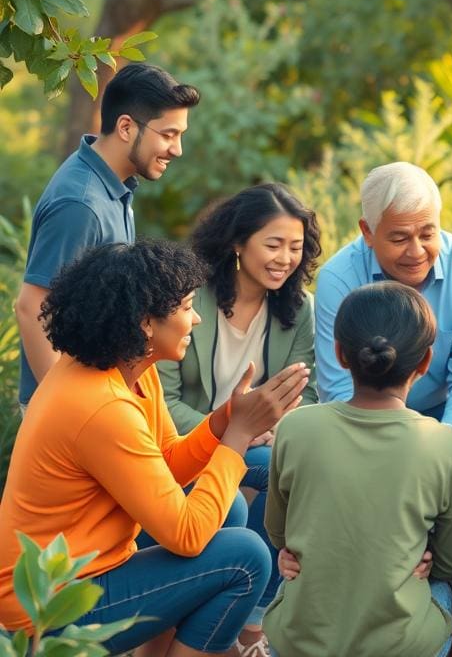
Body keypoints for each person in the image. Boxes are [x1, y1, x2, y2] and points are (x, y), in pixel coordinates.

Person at [0, 240, 310, 656]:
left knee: (229, 507)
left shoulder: (130, 368)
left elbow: (167, 462)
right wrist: (237, 436)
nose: (197, 318)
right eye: (185, 306)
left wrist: (224, 420)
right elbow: (186, 536)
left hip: (88, 565)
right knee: (246, 557)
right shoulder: (102, 407)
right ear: (147, 322)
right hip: (45, 607)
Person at [263, 282, 452, 657]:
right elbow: (447, 562)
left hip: (301, 643)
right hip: (403, 646)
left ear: (340, 354)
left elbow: (280, 535)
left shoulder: (296, 428)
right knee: (447, 587)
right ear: (426, 362)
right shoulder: (445, 444)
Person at [157, 183, 321, 654]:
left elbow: (304, 393)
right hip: (187, 442)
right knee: (263, 476)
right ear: (237, 242)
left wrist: (268, 428)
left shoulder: (297, 308)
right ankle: (233, 612)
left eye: (295, 247)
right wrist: (235, 429)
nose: (285, 258)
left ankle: (253, 621)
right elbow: (164, 401)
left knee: (285, 466)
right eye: (273, 244)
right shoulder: (188, 299)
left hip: (261, 439)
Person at [15, 63, 200, 414]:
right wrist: (71, 408)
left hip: (98, 398)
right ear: (126, 127)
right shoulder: (80, 202)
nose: (177, 149)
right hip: (68, 412)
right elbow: (32, 307)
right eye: (168, 134)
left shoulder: (112, 185)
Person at [314, 162, 452, 425]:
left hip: (443, 415)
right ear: (368, 231)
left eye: (428, 234)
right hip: (362, 418)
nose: (417, 252)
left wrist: (441, 444)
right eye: (399, 239)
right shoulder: (339, 278)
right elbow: (338, 389)